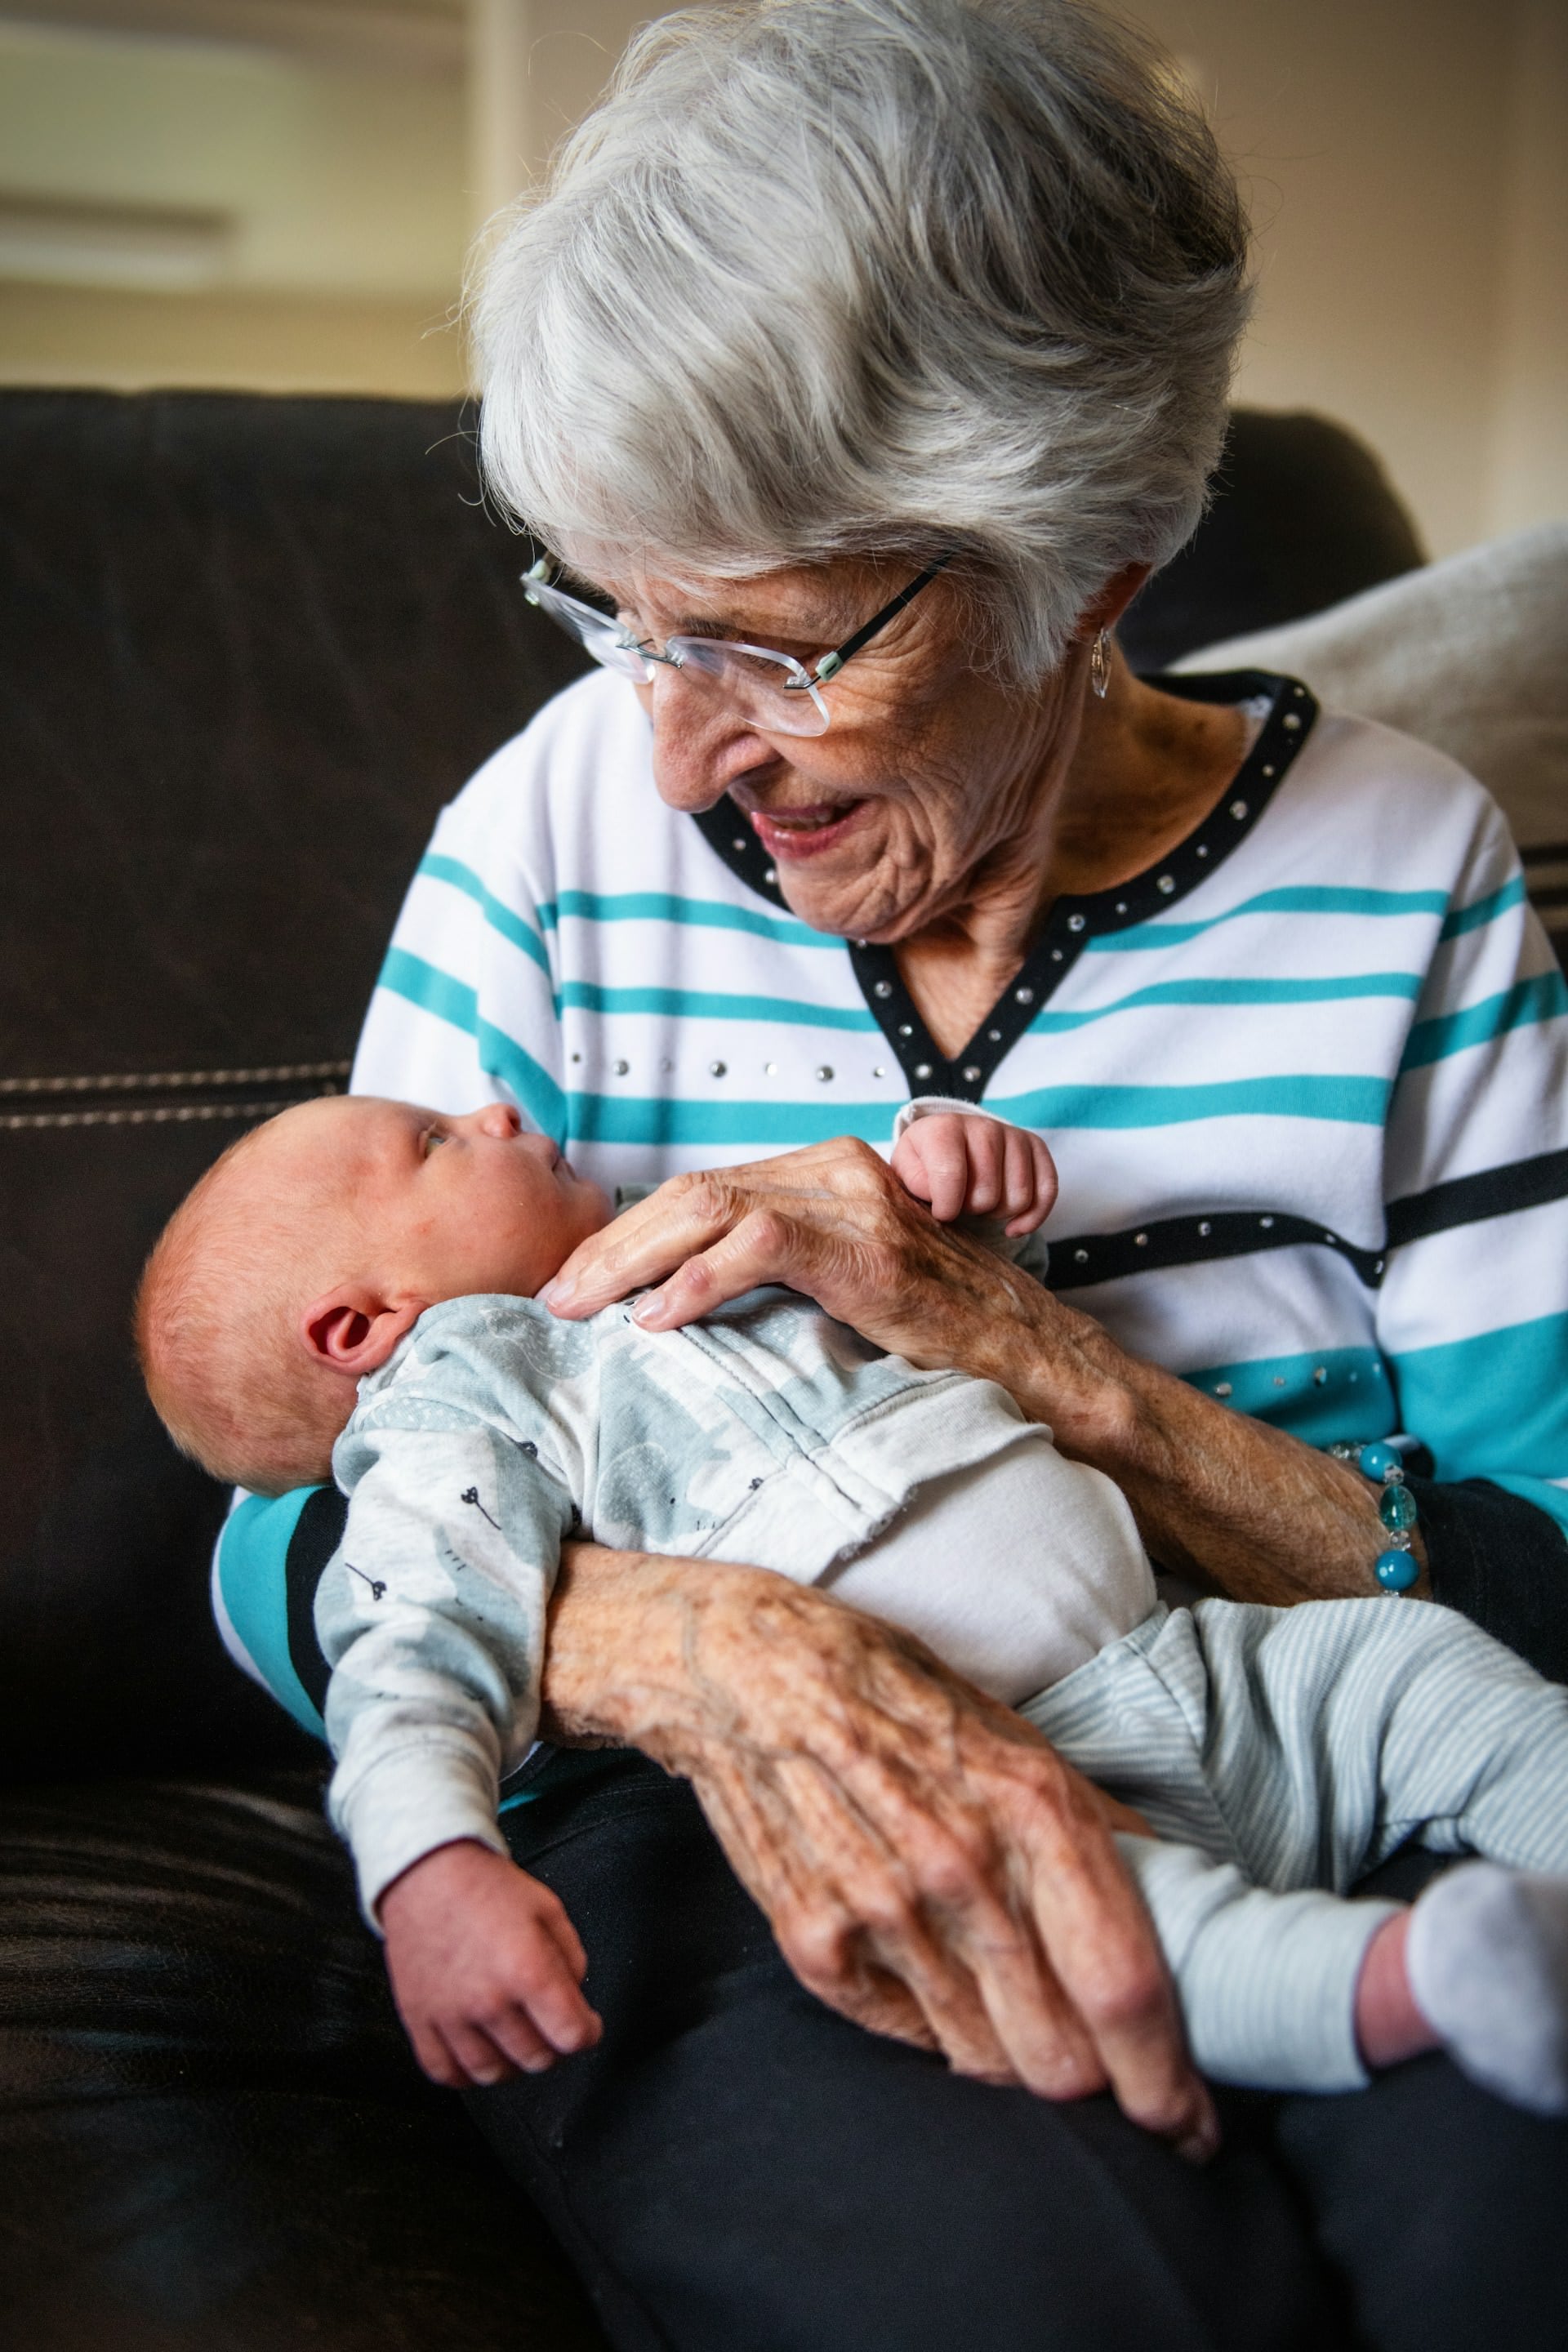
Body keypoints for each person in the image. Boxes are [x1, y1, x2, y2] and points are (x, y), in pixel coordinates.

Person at [212, 2, 1568, 2345]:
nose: (666, 750)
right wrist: (722, 1649)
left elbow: (1531, 1572)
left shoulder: (1407, 875)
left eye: (765, 642)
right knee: (1047, 2295)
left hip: (1288, 1704)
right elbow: (292, 1497)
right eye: (616, 619)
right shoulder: (550, 830)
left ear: (1102, 560)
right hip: (734, 1801)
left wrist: (1033, 1358)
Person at [145, 1089, 1568, 2120]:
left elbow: (950, 1325)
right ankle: (1415, 1986)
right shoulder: (463, 1408)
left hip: (1214, 1649)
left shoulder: (708, 1236)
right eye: (438, 1143)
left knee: (1420, 1669)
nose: (500, 1105)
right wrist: (429, 1864)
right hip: (1003, 1777)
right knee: (1122, 1944)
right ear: (364, 1325)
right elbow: (409, 1639)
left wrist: (963, 1200)